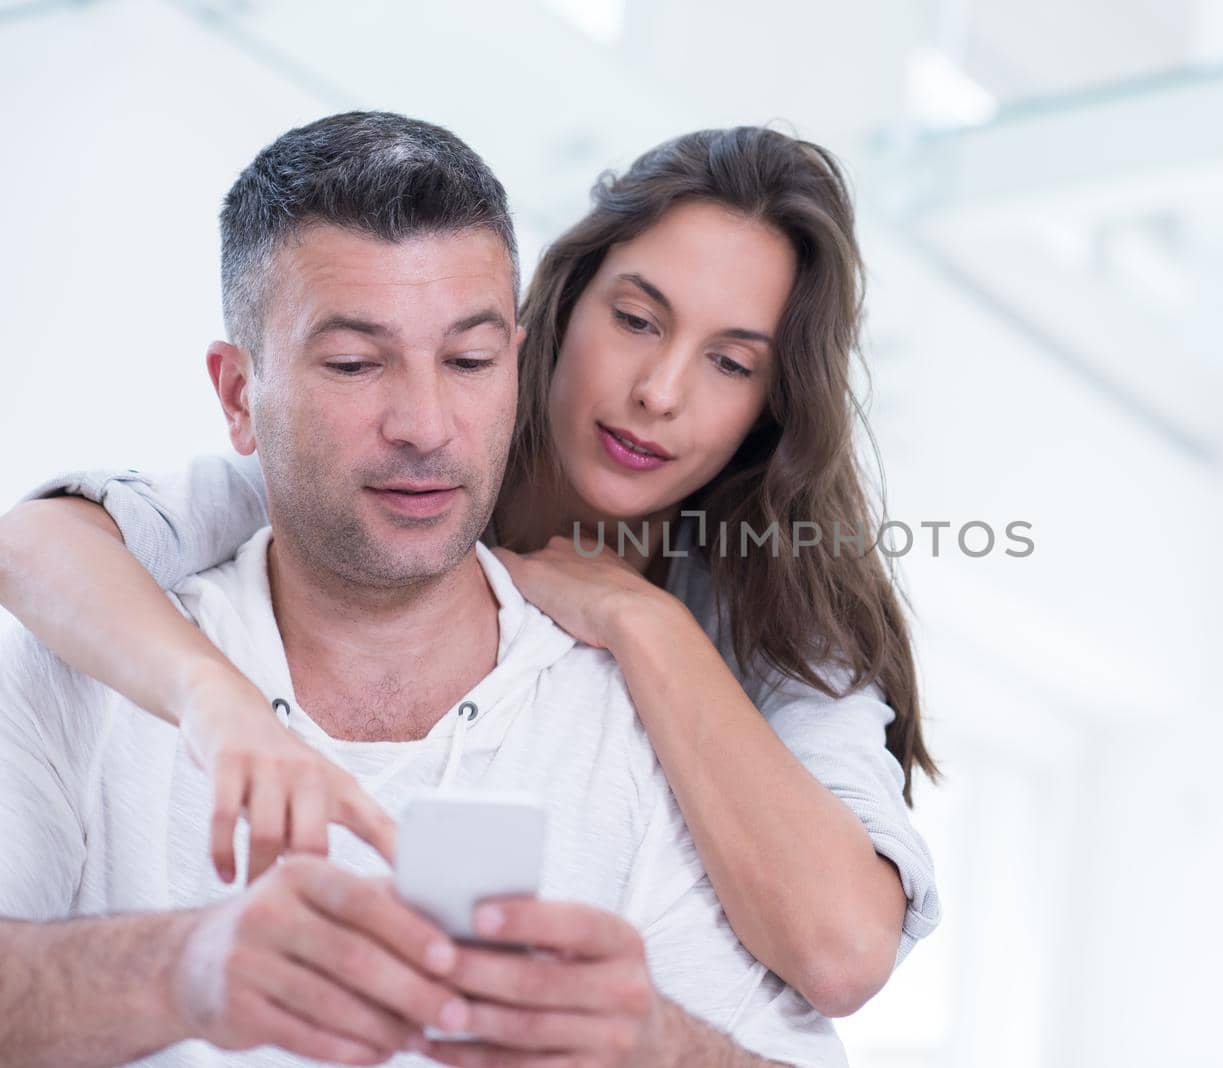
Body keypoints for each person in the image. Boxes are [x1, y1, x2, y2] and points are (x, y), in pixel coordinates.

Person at [0, 115, 938, 1018]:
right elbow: (40, 544)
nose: (660, 392)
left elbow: (843, 952)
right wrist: (216, 701)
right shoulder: (380, 484)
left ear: (769, 409)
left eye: (732, 364)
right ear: (561, 313)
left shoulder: (771, 613)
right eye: (638, 321)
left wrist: (640, 622)